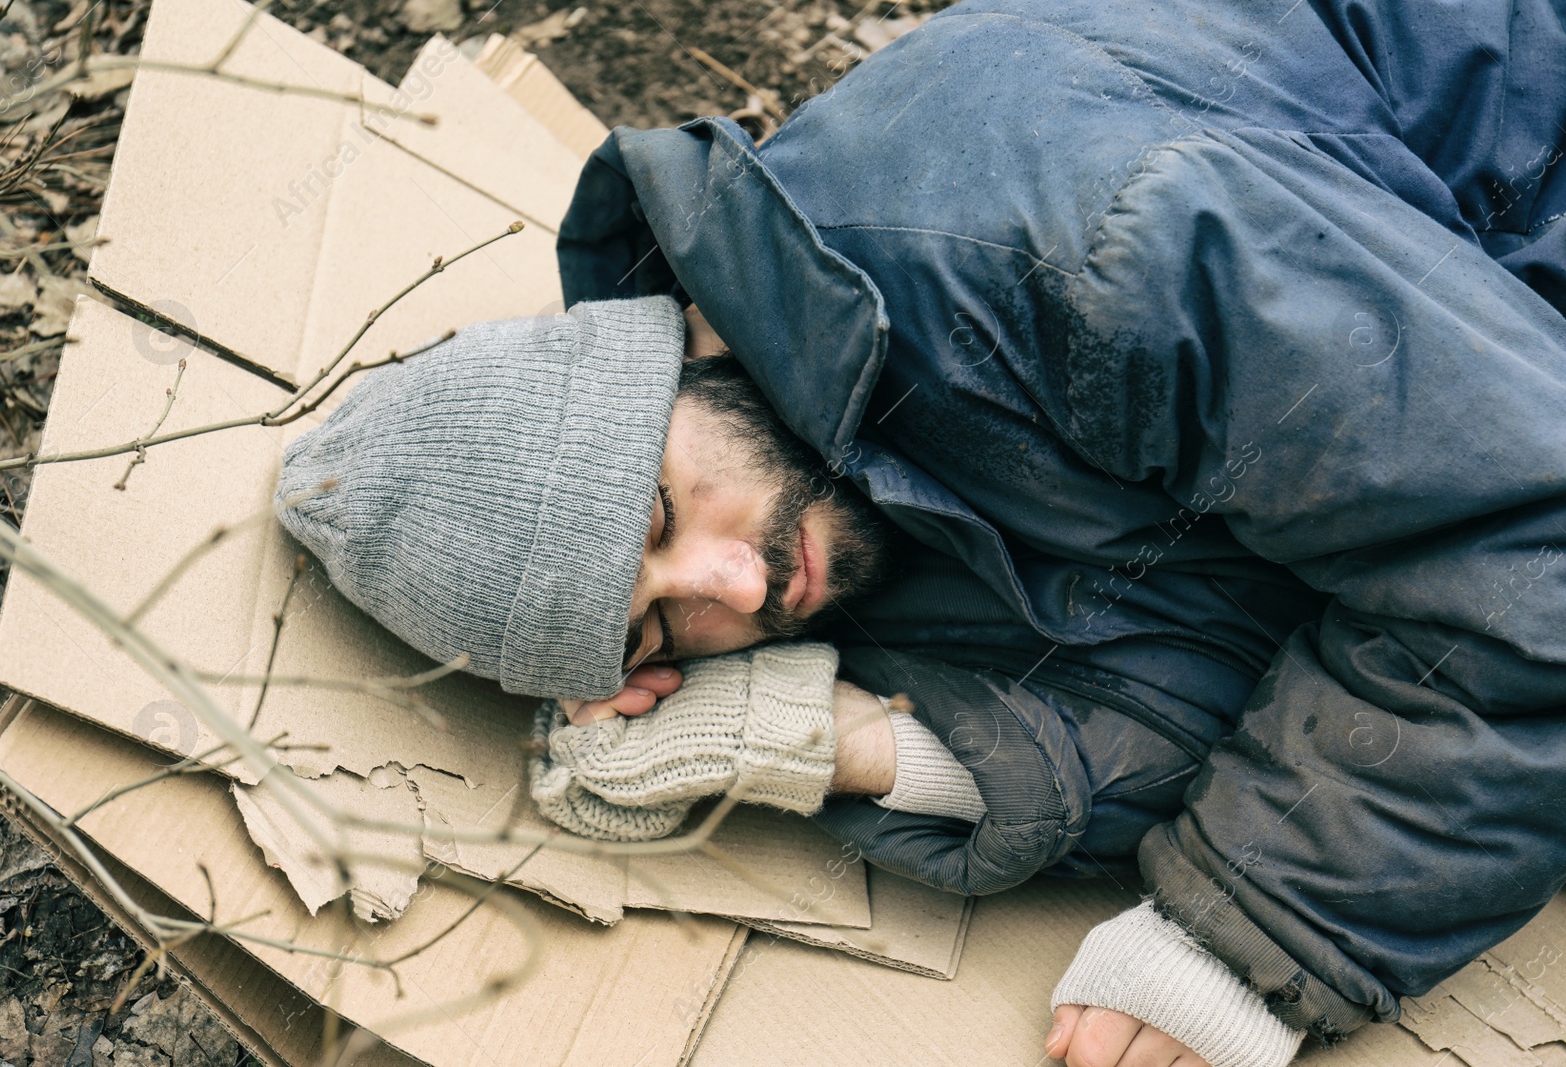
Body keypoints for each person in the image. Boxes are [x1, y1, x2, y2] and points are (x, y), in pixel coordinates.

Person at [276, 1, 1566, 1066]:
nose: (740, 581)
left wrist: (1242, 937)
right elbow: (1229, 667)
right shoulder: (819, 472)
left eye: (660, 516)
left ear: (660, 361)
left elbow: (1533, 545)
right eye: (662, 620)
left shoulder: (1076, 244)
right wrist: (843, 745)